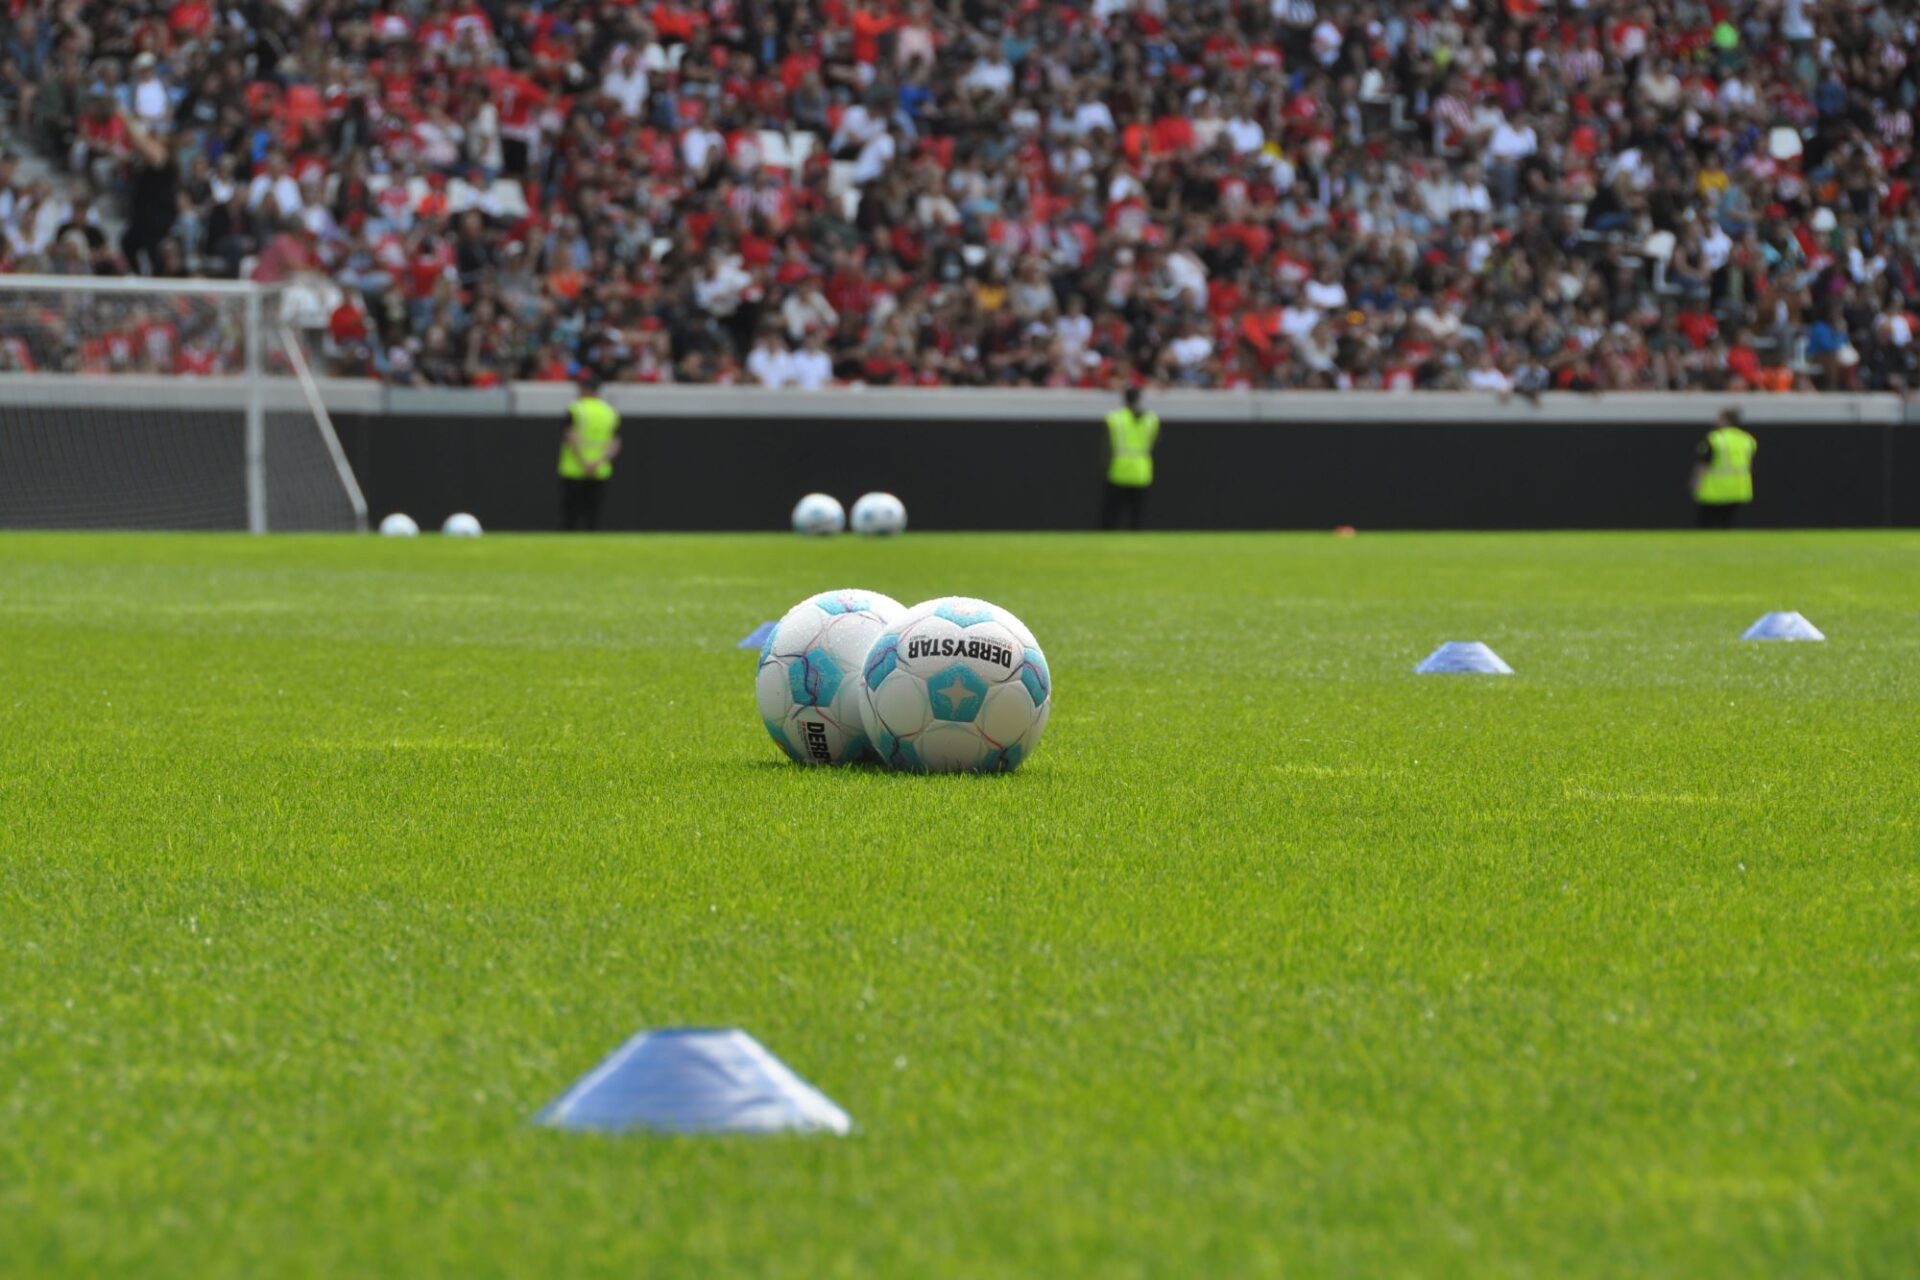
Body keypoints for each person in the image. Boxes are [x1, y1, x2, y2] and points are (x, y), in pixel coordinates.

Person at [559, 373, 622, 531]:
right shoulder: (609, 412)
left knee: (571, 515)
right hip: (599, 470)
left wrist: (583, 462)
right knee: (593, 515)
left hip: (575, 468)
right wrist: (599, 462)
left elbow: (570, 436)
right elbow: (615, 442)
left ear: (585, 390)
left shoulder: (576, 409)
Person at [1102, 385, 1159, 530]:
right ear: (1139, 399)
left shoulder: (1115, 418)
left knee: (1113, 511)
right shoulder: (1151, 419)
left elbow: (1107, 444)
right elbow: (1153, 441)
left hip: (1119, 469)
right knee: (1138, 513)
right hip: (1141, 469)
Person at [1692, 407, 1757, 529]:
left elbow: (1703, 464)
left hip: (1714, 489)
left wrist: (1696, 483)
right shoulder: (1747, 439)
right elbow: (1749, 465)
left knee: (1705, 523)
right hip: (1738, 487)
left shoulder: (1715, 439)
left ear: (1726, 420)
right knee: (1728, 524)